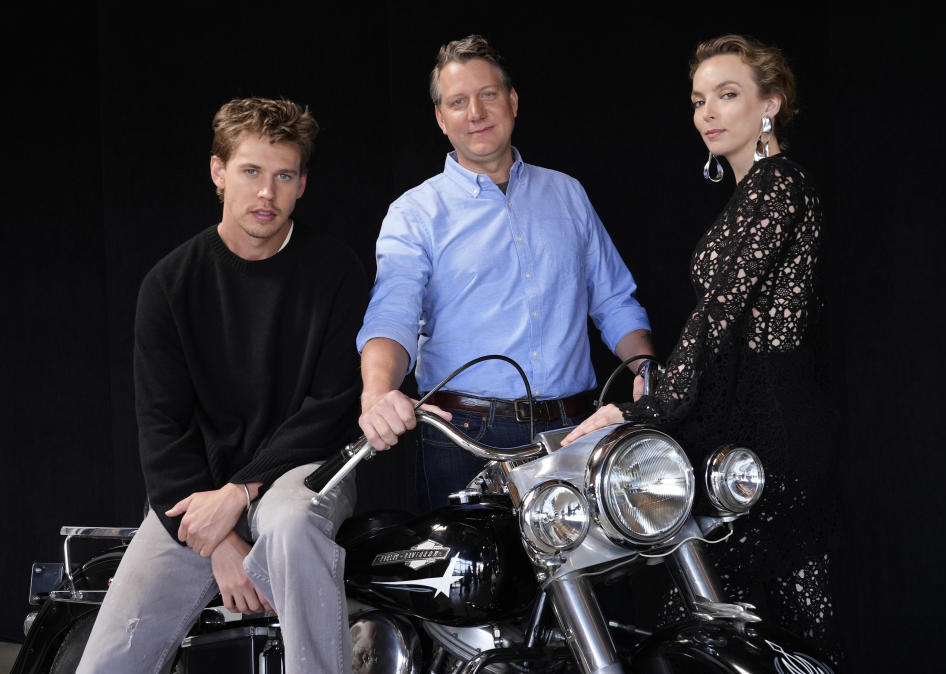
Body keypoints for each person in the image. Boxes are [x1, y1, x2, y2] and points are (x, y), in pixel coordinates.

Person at [562, 35, 841, 662]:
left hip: (774, 437)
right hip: (753, 427)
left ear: (771, 104)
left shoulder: (778, 188)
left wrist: (641, 412)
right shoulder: (753, 194)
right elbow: (720, 325)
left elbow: (717, 320)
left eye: (727, 94)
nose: (707, 112)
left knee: (715, 631)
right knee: (781, 630)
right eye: (698, 100)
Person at [77, 97, 367, 674]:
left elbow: (333, 408)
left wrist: (240, 494)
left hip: (301, 472)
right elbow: (163, 430)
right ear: (218, 172)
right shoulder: (169, 285)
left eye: (284, 176)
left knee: (288, 523)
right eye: (251, 172)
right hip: (194, 498)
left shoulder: (336, 270)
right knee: (106, 663)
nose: (267, 193)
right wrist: (222, 543)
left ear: (302, 184)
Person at [356, 35, 654, 509]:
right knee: (479, 584)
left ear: (512, 102)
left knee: (594, 580)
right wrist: (377, 392)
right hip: (466, 439)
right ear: (440, 118)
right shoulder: (413, 213)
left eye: (488, 95)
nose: (475, 112)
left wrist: (645, 369)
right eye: (458, 101)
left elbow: (614, 300)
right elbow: (392, 313)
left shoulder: (568, 194)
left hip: (577, 430)